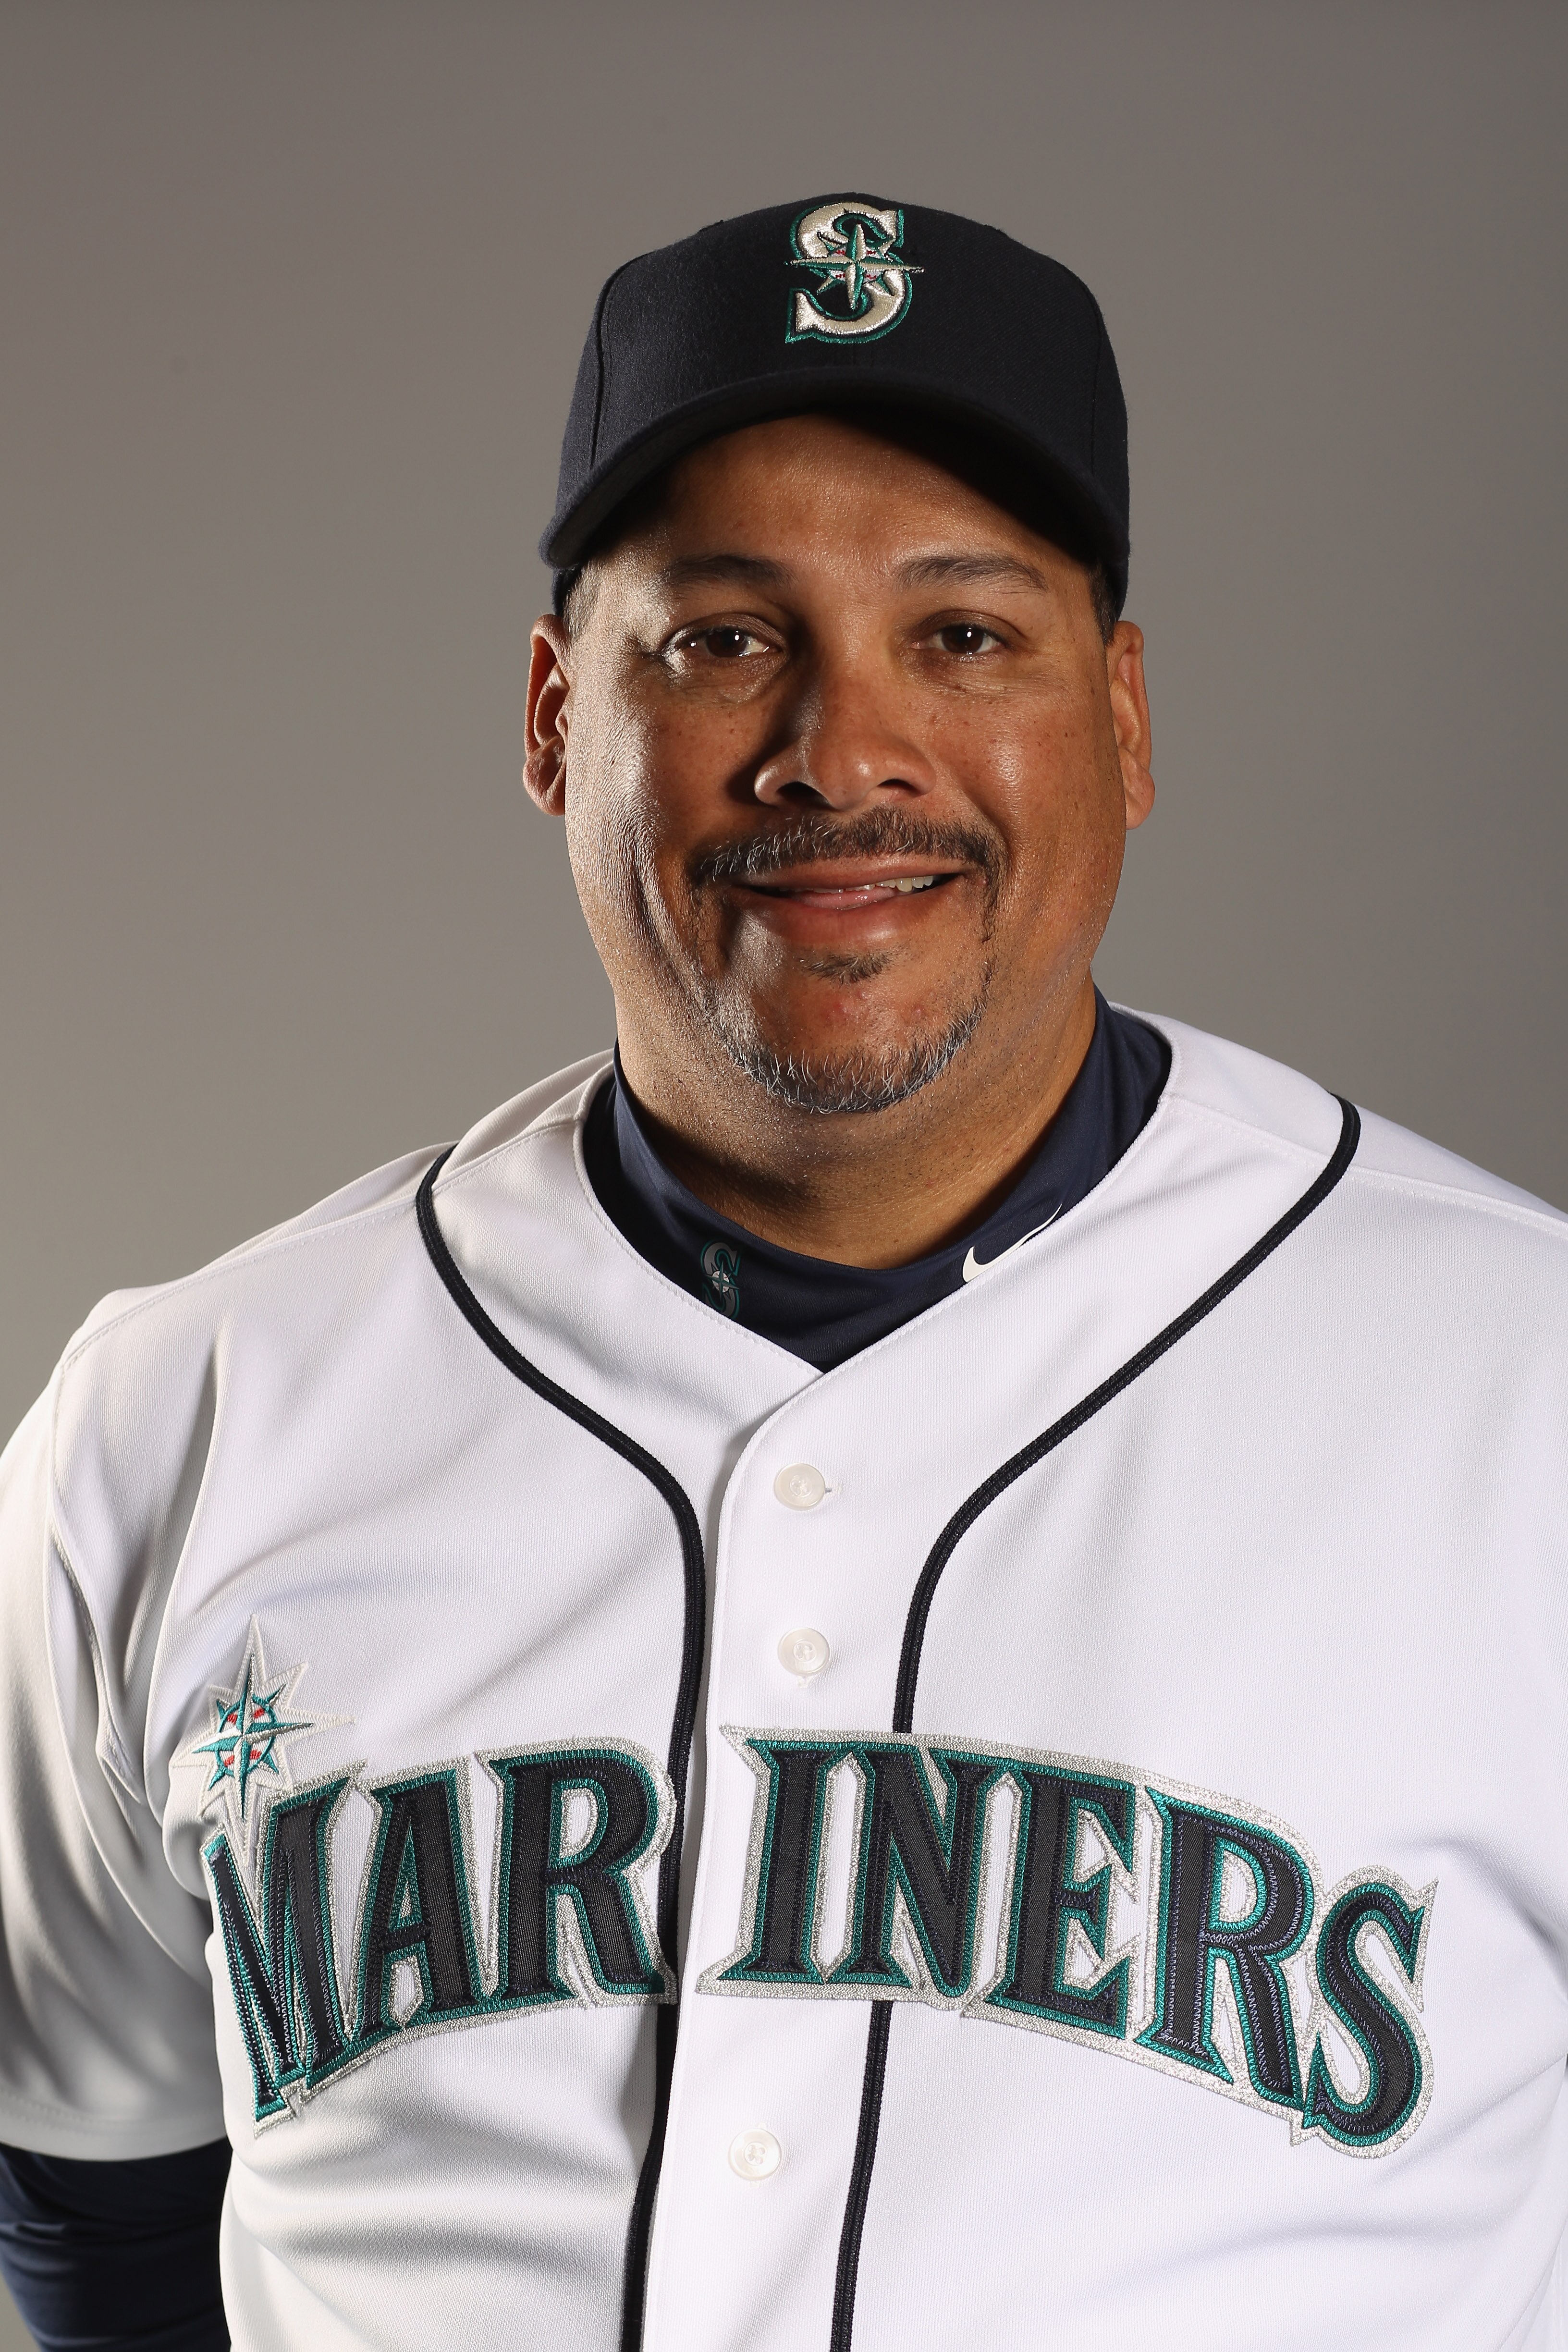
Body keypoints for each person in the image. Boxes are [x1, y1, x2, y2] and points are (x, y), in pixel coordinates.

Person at [0, 194, 1565, 2352]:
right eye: (722, 637)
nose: (841, 752)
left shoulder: (1523, 1396)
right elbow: (96, 2211)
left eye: (967, 635)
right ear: (557, 718)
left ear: (1122, 716)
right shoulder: (179, 1424)